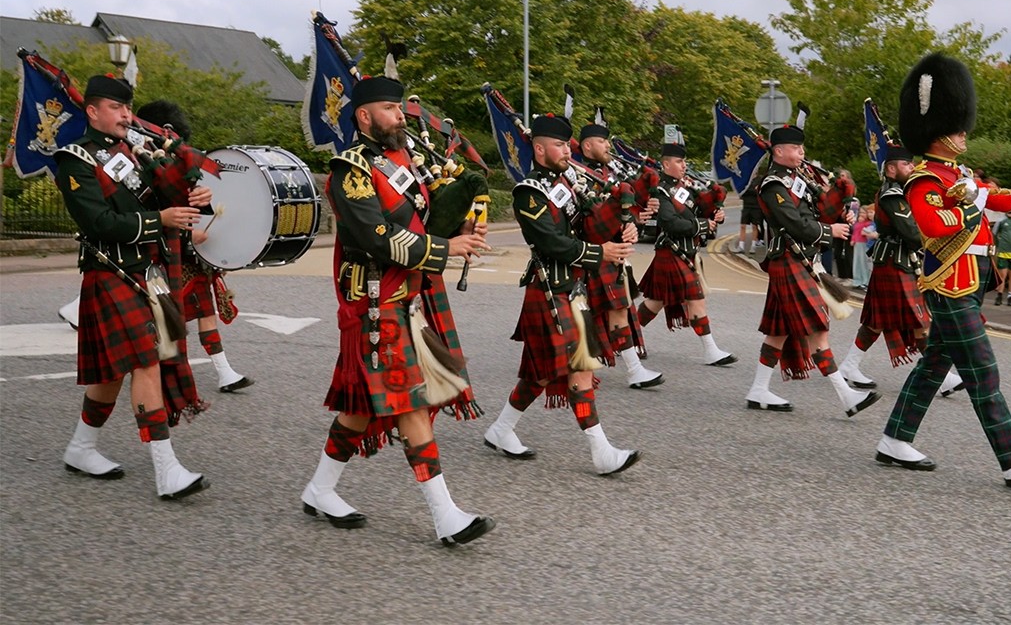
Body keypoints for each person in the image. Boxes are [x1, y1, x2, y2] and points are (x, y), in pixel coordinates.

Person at [299, 76, 494, 546]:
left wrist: (471, 199)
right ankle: (446, 515)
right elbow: (378, 238)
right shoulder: (350, 170)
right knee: (412, 404)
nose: (400, 115)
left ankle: (320, 488)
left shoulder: (408, 158)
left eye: (399, 108)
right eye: (389, 108)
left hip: (408, 298)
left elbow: (435, 206)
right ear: (364, 117)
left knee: (360, 411)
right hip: (373, 302)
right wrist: (446, 250)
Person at [875, 52, 1011, 489]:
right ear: (938, 134)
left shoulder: (958, 173)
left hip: (972, 282)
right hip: (948, 284)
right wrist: (974, 202)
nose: (963, 133)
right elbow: (935, 226)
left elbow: (992, 195)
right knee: (982, 370)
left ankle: (895, 439)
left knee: (934, 365)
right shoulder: (922, 180)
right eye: (956, 128)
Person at [54, 74, 211, 499]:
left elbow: (163, 197)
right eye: (116, 108)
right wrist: (160, 221)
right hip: (110, 272)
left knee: (112, 373)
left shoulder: (133, 151)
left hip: (148, 271)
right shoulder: (75, 159)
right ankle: (167, 471)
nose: (126, 115)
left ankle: (81, 447)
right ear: (92, 111)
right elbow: (99, 223)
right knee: (146, 361)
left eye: (127, 108)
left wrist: (196, 197)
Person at [483, 113, 641, 476]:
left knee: (539, 375)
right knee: (581, 368)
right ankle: (601, 452)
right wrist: (601, 253)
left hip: (574, 289)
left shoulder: (568, 184)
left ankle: (501, 429)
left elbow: (590, 220)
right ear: (539, 149)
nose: (567, 151)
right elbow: (552, 242)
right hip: (550, 290)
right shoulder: (529, 192)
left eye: (568, 145)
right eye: (559, 145)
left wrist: (623, 220)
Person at [743, 125, 880, 417]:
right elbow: (794, 224)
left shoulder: (797, 179)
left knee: (778, 332)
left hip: (801, 260)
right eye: (796, 148)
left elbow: (815, 214)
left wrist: (842, 208)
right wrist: (830, 231)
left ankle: (758, 388)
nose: (802, 152)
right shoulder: (772, 185)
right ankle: (846, 396)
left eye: (802, 148)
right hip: (790, 260)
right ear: (779, 151)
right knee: (817, 330)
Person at [135, 99, 253, 393]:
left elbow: (193, 207)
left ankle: (224, 372)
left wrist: (205, 199)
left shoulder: (178, 163)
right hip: (159, 254)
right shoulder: (139, 167)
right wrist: (190, 238)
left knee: (204, 310)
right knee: (162, 316)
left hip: (187, 255)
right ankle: (156, 373)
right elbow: (145, 214)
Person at [837, 147, 965, 396]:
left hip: (899, 262)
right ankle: (940, 376)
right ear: (891, 168)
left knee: (879, 320)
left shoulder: (903, 191)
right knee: (918, 319)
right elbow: (911, 232)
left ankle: (849, 366)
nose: (912, 168)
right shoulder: (892, 194)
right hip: (894, 262)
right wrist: (942, 239)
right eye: (907, 165)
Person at [575, 121, 663, 389]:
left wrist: (634, 224)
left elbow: (622, 212)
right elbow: (592, 221)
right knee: (596, 314)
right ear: (588, 145)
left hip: (612, 250)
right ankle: (630, 369)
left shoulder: (605, 172)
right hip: (590, 251)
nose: (608, 147)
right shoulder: (578, 175)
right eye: (602, 142)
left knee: (618, 309)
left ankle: (634, 369)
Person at [637, 141, 737, 367]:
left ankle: (628, 335)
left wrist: (715, 212)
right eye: (679, 161)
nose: (684, 166)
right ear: (665, 164)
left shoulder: (685, 188)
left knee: (656, 301)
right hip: (671, 251)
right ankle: (710, 350)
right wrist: (704, 225)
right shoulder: (661, 191)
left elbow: (699, 209)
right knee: (695, 298)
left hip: (685, 252)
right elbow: (670, 223)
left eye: (684, 161)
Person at [732, 179, 764, 255]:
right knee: (743, 226)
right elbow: (741, 193)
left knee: (754, 226)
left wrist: (748, 190)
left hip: (756, 207)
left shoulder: (758, 180)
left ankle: (753, 246)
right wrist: (751, 190)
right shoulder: (745, 179)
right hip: (746, 206)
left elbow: (758, 192)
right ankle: (741, 246)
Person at [849, 204, 876, 288]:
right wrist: (853, 239)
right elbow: (855, 232)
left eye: (864, 213)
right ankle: (857, 280)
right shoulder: (858, 223)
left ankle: (865, 281)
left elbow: (866, 232)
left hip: (864, 244)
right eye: (861, 212)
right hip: (857, 243)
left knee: (864, 263)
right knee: (857, 262)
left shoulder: (869, 223)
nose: (862, 214)